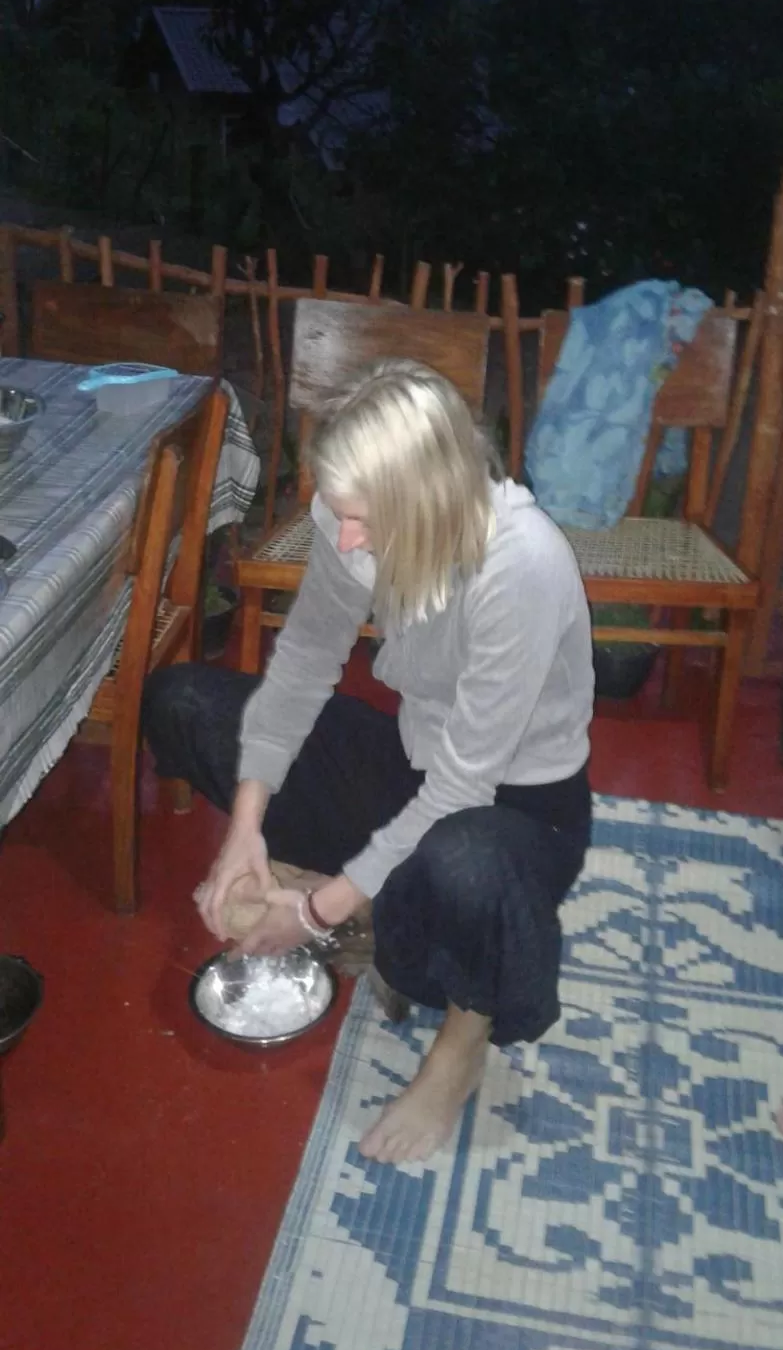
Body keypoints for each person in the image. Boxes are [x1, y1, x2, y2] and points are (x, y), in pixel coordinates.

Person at [142, 358, 595, 1165]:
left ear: (429, 498)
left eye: (362, 520)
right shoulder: (353, 519)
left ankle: (462, 1035)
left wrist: (308, 914)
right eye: (338, 513)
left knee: (463, 862)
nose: (344, 538)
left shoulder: (520, 563)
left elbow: (464, 786)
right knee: (182, 701)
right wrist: (244, 830)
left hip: (518, 813)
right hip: (413, 767)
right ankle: (368, 902)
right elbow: (307, 659)